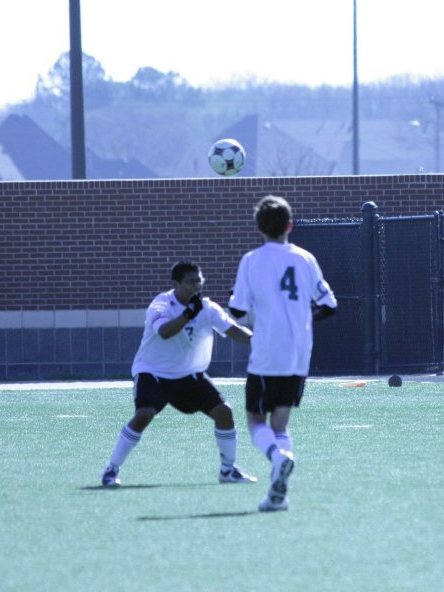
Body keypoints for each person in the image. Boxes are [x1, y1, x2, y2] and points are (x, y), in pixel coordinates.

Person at [100, 261, 256, 487]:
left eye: (199, 281)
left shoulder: (208, 307)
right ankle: (111, 469)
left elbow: (233, 330)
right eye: (190, 282)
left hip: (189, 375)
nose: (196, 286)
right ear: (175, 284)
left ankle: (228, 470)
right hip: (153, 372)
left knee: (224, 412)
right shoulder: (161, 304)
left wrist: (260, 341)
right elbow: (164, 332)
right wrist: (187, 315)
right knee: (143, 415)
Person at [228, 195, 338, 512]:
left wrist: (236, 297)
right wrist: (301, 320)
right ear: (290, 225)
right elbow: (330, 306)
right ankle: (279, 494)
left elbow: (236, 310)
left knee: (254, 421)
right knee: (281, 424)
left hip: (266, 352)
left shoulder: (252, 260)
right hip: (299, 354)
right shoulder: (305, 258)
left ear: (259, 228)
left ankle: (279, 457)